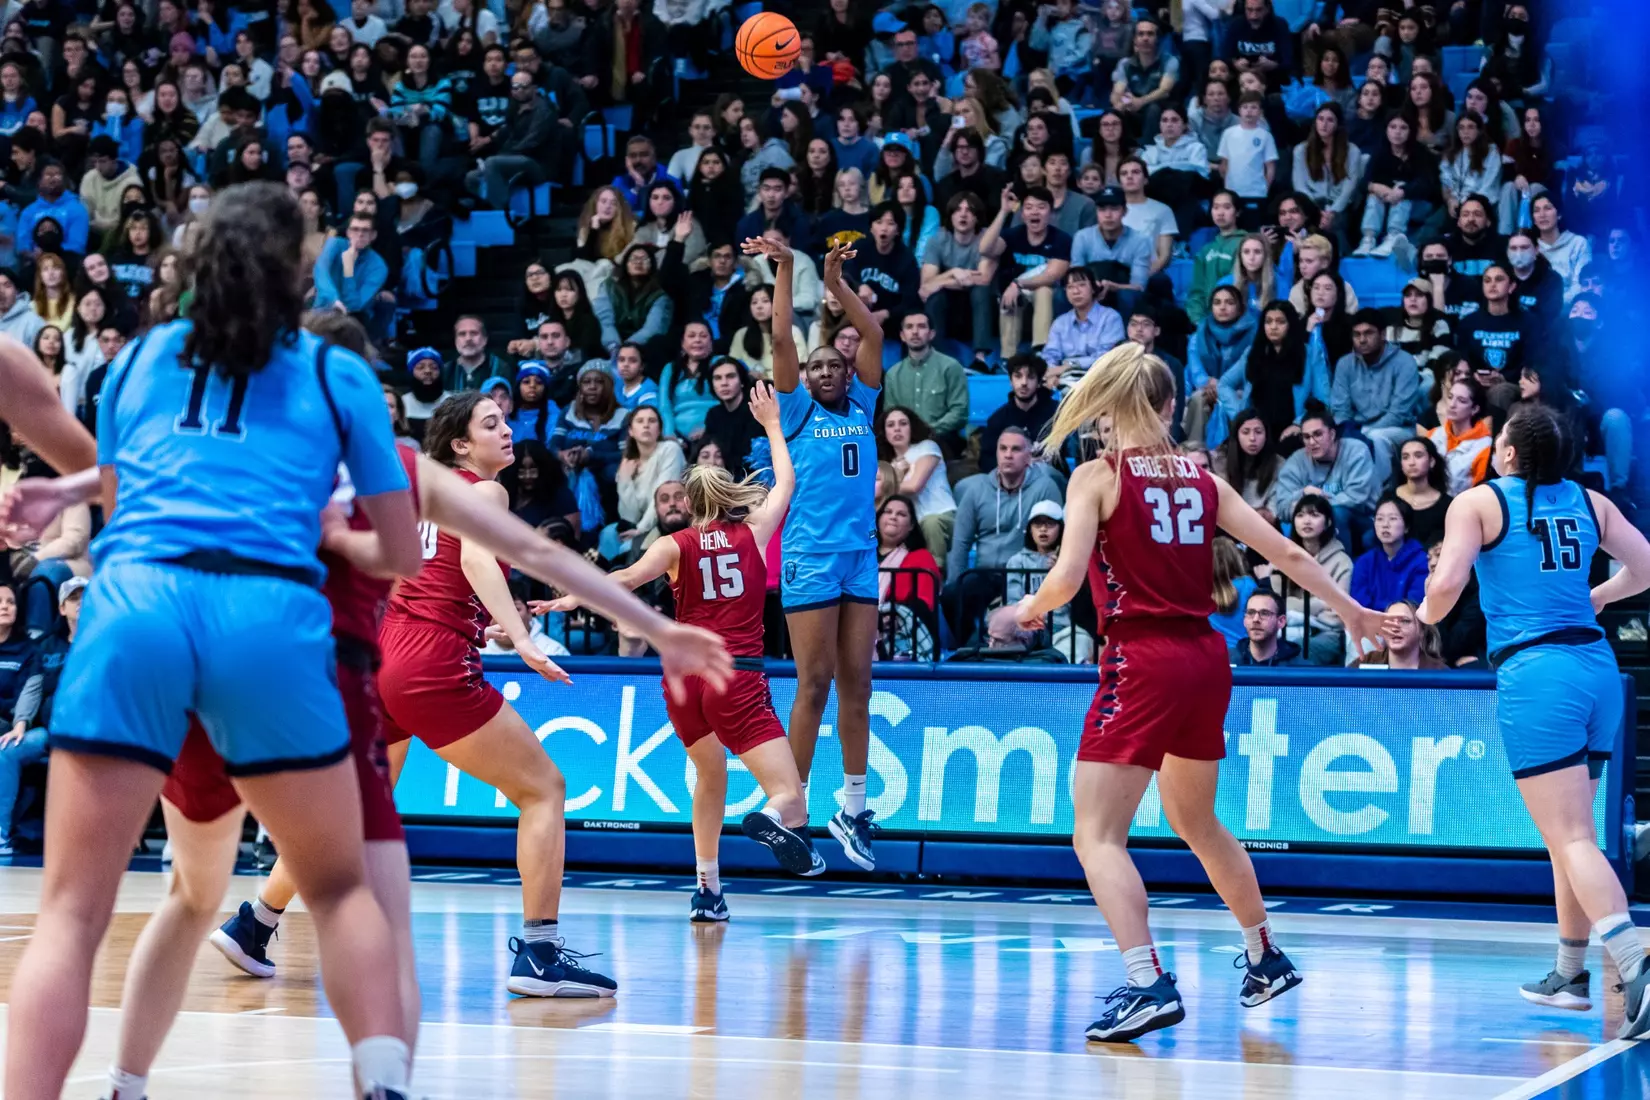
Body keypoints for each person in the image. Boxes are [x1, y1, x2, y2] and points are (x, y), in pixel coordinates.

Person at [6, 184, 424, 1100]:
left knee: (71, 915)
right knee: (340, 891)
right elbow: (396, 552)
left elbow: (120, 493)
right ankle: (385, 1083)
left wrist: (61, 495)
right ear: (296, 269)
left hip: (135, 604)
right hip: (264, 615)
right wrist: (337, 535)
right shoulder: (333, 370)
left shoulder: (141, 356)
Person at [1012, 342, 1385, 1042]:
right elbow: (1289, 554)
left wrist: (1025, 611)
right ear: (1172, 405)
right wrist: (1353, 611)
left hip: (1143, 658)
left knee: (1095, 836)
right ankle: (1263, 953)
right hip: (1207, 657)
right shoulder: (1202, 477)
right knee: (1197, 822)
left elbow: (1064, 582)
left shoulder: (1097, 476)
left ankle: (1146, 980)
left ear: (1112, 406)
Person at [552, 383, 825, 919]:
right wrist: (771, 424)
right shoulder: (754, 531)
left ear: (691, 504)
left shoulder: (672, 545)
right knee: (791, 799)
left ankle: (707, 890)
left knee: (710, 776)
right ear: (729, 497)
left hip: (682, 685)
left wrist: (568, 597)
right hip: (736, 676)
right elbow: (788, 481)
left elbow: (623, 578)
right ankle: (770, 819)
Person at [1419, 404, 1650, 1037]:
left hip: (1538, 673)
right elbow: (1648, 567)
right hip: (1597, 668)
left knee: (1572, 836)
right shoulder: (1591, 501)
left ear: (1509, 453)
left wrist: (1422, 614)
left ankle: (1636, 964)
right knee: (1568, 834)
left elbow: (1446, 586)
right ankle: (1570, 972)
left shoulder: (1478, 502)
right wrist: (1596, 596)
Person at [745, 233, 885, 870]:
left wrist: (835, 284)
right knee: (814, 682)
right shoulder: (796, 411)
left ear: (848, 372)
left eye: (834, 364)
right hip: (809, 554)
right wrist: (787, 269)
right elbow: (780, 338)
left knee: (859, 684)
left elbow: (872, 333)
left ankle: (853, 808)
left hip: (859, 553)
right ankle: (787, 803)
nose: (825, 371)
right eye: (816, 366)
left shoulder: (864, 400)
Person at [979, 185, 1071, 359]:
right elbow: (985, 249)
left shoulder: (1061, 239)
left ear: (1050, 213)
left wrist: (1017, 284)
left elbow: (1052, 275)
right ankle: (1008, 357)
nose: (1034, 212)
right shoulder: (1013, 235)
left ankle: (1040, 351)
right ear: (1022, 214)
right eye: (1028, 207)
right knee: (1010, 296)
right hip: (1015, 293)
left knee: (1043, 290)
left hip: (1049, 292)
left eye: (1041, 207)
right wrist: (1004, 211)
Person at [1270, 412, 1380, 553]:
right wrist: (1303, 494)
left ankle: (1342, 569)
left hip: (1361, 521)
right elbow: (1282, 509)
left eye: (1318, 434)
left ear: (1332, 434)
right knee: (1303, 521)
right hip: (1317, 525)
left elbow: (1356, 499)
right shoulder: (1296, 461)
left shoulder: (1356, 451)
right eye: (1307, 437)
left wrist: (1314, 503)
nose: (1312, 442)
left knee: (1337, 513)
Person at [1329, 308, 1420, 476]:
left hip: (1398, 429)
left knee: (1376, 438)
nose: (1362, 340)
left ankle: (1379, 494)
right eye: (1357, 334)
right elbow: (1340, 409)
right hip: (1356, 428)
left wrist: (1364, 433)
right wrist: (1350, 432)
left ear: (1383, 334)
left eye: (1368, 333)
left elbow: (1398, 413)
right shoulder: (1345, 364)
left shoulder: (1404, 362)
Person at [920, 191, 994, 366]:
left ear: (977, 217)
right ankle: (938, 359)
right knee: (935, 298)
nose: (963, 214)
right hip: (949, 308)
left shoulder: (986, 239)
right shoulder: (937, 240)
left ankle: (980, 359)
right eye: (958, 210)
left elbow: (983, 278)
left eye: (969, 210)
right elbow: (926, 285)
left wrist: (941, 282)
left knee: (981, 291)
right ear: (951, 215)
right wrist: (954, 271)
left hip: (977, 310)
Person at [879, 405, 957, 565]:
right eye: (891, 425)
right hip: (910, 525)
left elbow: (915, 485)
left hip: (941, 517)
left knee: (931, 523)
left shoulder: (927, 447)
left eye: (903, 423)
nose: (897, 429)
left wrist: (888, 484)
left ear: (911, 427)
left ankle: (937, 578)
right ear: (885, 432)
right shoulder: (887, 464)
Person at [882, 313, 968, 453]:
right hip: (904, 443)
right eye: (909, 327)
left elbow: (959, 412)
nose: (915, 332)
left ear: (931, 334)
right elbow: (890, 414)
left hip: (941, 439)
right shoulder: (893, 374)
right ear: (902, 336)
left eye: (921, 326)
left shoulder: (950, 367)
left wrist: (927, 432)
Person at [1355, 114, 1436, 258]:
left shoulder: (1421, 153)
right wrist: (1376, 187)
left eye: (1403, 128)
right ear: (1386, 130)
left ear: (1411, 131)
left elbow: (1426, 185)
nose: (1397, 132)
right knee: (1374, 193)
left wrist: (1402, 191)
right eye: (1393, 127)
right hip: (1385, 204)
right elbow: (1363, 183)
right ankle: (1368, 238)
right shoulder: (1380, 151)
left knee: (1401, 188)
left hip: (1417, 205)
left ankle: (1394, 236)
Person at [1041, 267, 1124, 391]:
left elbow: (1107, 358)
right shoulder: (1060, 322)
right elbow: (1050, 355)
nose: (1076, 291)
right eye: (1070, 287)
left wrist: (1070, 366)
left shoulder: (1110, 318)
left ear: (1093, 288)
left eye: (1081, 285)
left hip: (1100, 377)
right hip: (1064, 379)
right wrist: (1052, 374)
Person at [979, 354, 1058, 472]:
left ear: (1039, 382)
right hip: (1010, 478)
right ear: (1011, 381)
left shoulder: (1057, 413)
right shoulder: (998, 419)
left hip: (1048, 476)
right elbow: (986, 460)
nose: (1024, 382)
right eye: (1018, 376)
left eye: (1030, 377)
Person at [1351, 495, 1429, 615]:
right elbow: (1358, 603)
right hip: (1370, 627)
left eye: (1392, 518)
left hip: (1405, 626)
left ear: (1406, 527)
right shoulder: (1365, 562)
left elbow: (1414, 604)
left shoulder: (1421, 562)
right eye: (1380, 519)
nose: (1385, 525)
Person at [1215, 93, 1278, 227]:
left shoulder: (1265, 136)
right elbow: (1224, 164)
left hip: (1256, 193)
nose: (1249, 111)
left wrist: (1264, 188)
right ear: (1239, 110)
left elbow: (1270, 167)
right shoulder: (1228, 134)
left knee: (1252, 229)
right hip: (1232, 192)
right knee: (1232, 228)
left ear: (1260, 112)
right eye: (1245, 107)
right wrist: (1227, 187)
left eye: (1254, 107)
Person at [1427, 375, 1494, 495]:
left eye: (1461, 400)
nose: (1452, 404)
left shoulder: (1485, 448)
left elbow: (1479, 494)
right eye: (1450, 397)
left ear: (1474, 409)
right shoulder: (1433, 435)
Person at [1187, 192, 1245, 325]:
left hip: (1236, 319)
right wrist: (1199, 321)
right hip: (1207, 320)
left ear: (1237, 212)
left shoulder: (1246, 244)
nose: (1220, 212)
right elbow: (1197, 290)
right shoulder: (1206, 250)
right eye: (1216, 207)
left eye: (1226, 207)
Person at [1394, 436, 1452, 547]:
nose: (1411, 462)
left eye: (1418, 456)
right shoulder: (1389, 498)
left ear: (1431, 462)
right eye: (1405, 457)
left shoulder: (1447, 504)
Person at [1356, 599, 1445, 669]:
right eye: (1389, 621)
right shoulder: (1366, 662)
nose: (1394, 628)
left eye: (1405, 621)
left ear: (1422, 631)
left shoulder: (1437, 671)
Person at [1232, 589, 1303, 666]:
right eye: (1251, 613)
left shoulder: (1299, 669)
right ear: (1244, 620)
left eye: (1264, 613)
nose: (1256, 619)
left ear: (1281, 621)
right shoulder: (1226, 661)